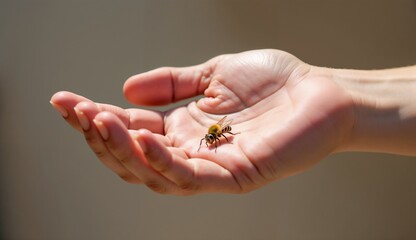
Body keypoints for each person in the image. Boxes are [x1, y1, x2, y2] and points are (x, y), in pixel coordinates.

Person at [50, 49, 416, 195]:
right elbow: (220, 134)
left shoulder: (222, 130)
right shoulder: (217, 133)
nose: (220, 136)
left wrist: (343, 102)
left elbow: (223, 131)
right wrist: (343, 98)